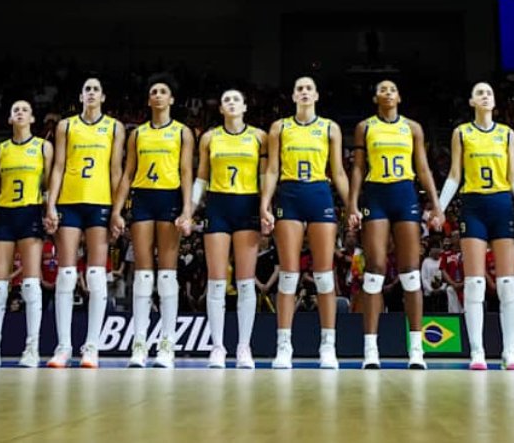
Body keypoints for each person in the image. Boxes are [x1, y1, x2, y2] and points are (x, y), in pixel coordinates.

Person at [349, 80, 445, 369]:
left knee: (410, 272)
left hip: (405, 194)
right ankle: (370, 350)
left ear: (399, 96)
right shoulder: (365, 127)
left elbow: (423, 167)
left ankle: (416, 350)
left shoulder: (412, 128)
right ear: (375, 97)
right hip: (375, 194)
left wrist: (436, 204)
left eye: (392, 89)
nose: (388, 92)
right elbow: (357, 167)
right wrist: (352, 203)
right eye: (382, 89)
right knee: (375, 269)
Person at [437, 82, 514, 370]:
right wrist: (439, 207)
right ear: (471, 101)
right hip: (473, 205)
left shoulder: (506, 133)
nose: (485, 96)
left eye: (489, 92)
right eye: (479, 93)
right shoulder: (462, 133)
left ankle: (509, 352)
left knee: (507, 282)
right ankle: (477, 351)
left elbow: (513, 175)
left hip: (502, 204)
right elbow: (454, 174)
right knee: (475, 283)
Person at [261, 77, 350, 369]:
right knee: (289, 274)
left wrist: (351, 206)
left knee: (324, 276)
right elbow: (272, 169)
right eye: (299, 88)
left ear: (317, 95)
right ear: (293, 95)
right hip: (289, 194)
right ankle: (284, 346)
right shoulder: (280, 127)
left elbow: (337, 171)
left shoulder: (329, 127)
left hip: (319, 194)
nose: (304, 92)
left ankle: (328, 346)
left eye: (309, 88)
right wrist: (265, 204)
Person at [111, 78, 194, 368]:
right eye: (153, 93)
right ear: (149, 101)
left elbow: (186, 172)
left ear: (171, 100)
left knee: (167, 276)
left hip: (170, 199)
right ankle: (139, 344)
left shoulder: (182, 132)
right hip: (143, 199)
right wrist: (117, 211)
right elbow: (128, 173)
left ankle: (167, 345)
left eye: (163, 92)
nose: (158, 96)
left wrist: (187, 209)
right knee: (144, 275)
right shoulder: (138, 134)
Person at [45, 77, 126, 368]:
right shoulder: (66, 126)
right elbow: (58, 167)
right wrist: (51, 204)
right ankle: (63, 347)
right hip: (69, 201)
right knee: (66, 274)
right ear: (81, 96)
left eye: (96, 89)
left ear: (103, 97)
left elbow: (116, 171)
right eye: (87, 89)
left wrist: (117, 210)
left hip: (100, 202)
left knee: (95, 275)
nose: (91, 93)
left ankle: (92, 346)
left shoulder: (114, 127)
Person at [0, 100, 53, 368]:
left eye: (24, 110)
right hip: (5, 215)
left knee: (30, 283)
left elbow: (48, 185)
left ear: (32, 118)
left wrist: (49, 210)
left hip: (30, 212)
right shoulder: (0, 150)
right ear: (9, 119)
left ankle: (32, 347)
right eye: (15, 109)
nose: (19, 112)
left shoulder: (43, 147)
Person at [196, 88, 266, 369]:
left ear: (245, 107)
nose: (232, 103)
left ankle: (243, 347)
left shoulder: (260, 137)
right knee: (216, 281)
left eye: (237, 99)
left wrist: (266, 207)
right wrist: (190, 209)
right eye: (226, 100)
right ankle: (217, 347)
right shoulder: (210, 137)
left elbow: (265, 177)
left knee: (246, 281)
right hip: (218, 205)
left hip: (248, 204)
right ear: (221, 109)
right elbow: (201, 176)